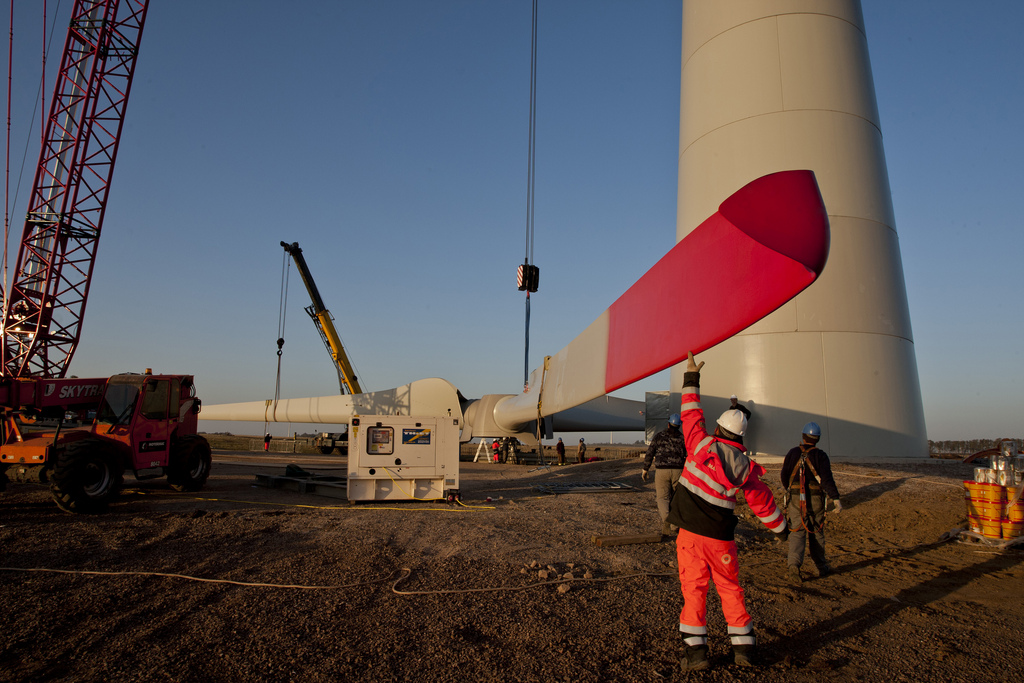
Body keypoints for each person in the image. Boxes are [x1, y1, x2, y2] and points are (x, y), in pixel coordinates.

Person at [667, 352, 788, 671]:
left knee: (693, 591)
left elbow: (691, 414)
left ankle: (696, 656)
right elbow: (763, 503)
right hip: (722, 541)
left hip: (690, 538)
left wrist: (691, 376)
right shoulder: (746, 468)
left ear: (718, 428)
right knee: (730, 590)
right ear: (741, 438)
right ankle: (744, 650)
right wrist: (782, 529)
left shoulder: (700, 445)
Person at [780, 422, 841, 583]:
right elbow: (827, 479)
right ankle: (821, 567)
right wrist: (835, 498)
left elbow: (784, 476)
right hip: (815, 498)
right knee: (816, 532)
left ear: (803, 436)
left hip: (795, 498)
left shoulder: (793, 453)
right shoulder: (820, 456)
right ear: (818, 439)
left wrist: (791, 490)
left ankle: (793, 567)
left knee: (797, 532)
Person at [641, 413, 687, 536]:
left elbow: (650, 452)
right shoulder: (683, 438)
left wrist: (646, 468)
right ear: (679, 426)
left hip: (662, 470)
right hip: (678, 470)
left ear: (668, 423)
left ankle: (667, 521)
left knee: (662, 498)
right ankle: (675, 524)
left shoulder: (659, 436)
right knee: (677, 497)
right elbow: (688, 455)